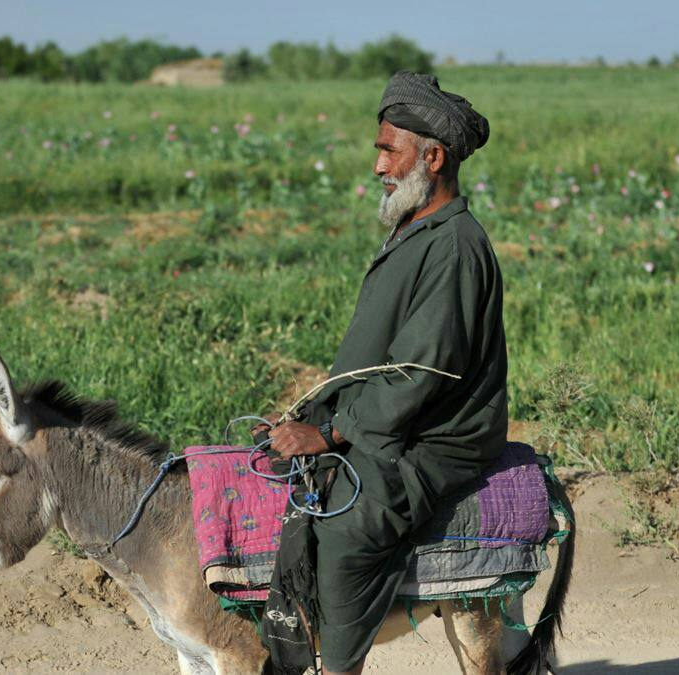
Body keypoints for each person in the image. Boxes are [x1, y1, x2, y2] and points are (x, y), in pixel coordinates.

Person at [260, 71, 507, 675]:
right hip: (394, 416)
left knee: (348, 522)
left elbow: (422, 373)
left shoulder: (453, 246)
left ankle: (337, 666)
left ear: (434, 156)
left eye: (387, 149)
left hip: (438, 436)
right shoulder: (417, 229)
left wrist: (331, 433)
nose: (377, 166)